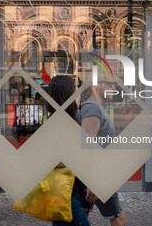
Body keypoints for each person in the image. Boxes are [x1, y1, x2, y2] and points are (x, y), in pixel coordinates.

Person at [79, 73, 126, 226]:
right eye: (109, 84)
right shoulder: (92, 109)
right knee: (119, 218)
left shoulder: (97, 108)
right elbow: (87, 146)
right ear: (96, 85)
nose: (114, 88)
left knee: (81, 217)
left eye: (114, 85)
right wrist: (91, 181)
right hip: (97, 176)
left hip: (95, 174)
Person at [46, 75, 90, 226]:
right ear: (67, 96)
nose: (79, 95)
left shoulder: (69, 121)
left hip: (68, 195)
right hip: (65, 199)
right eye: (76, 90)